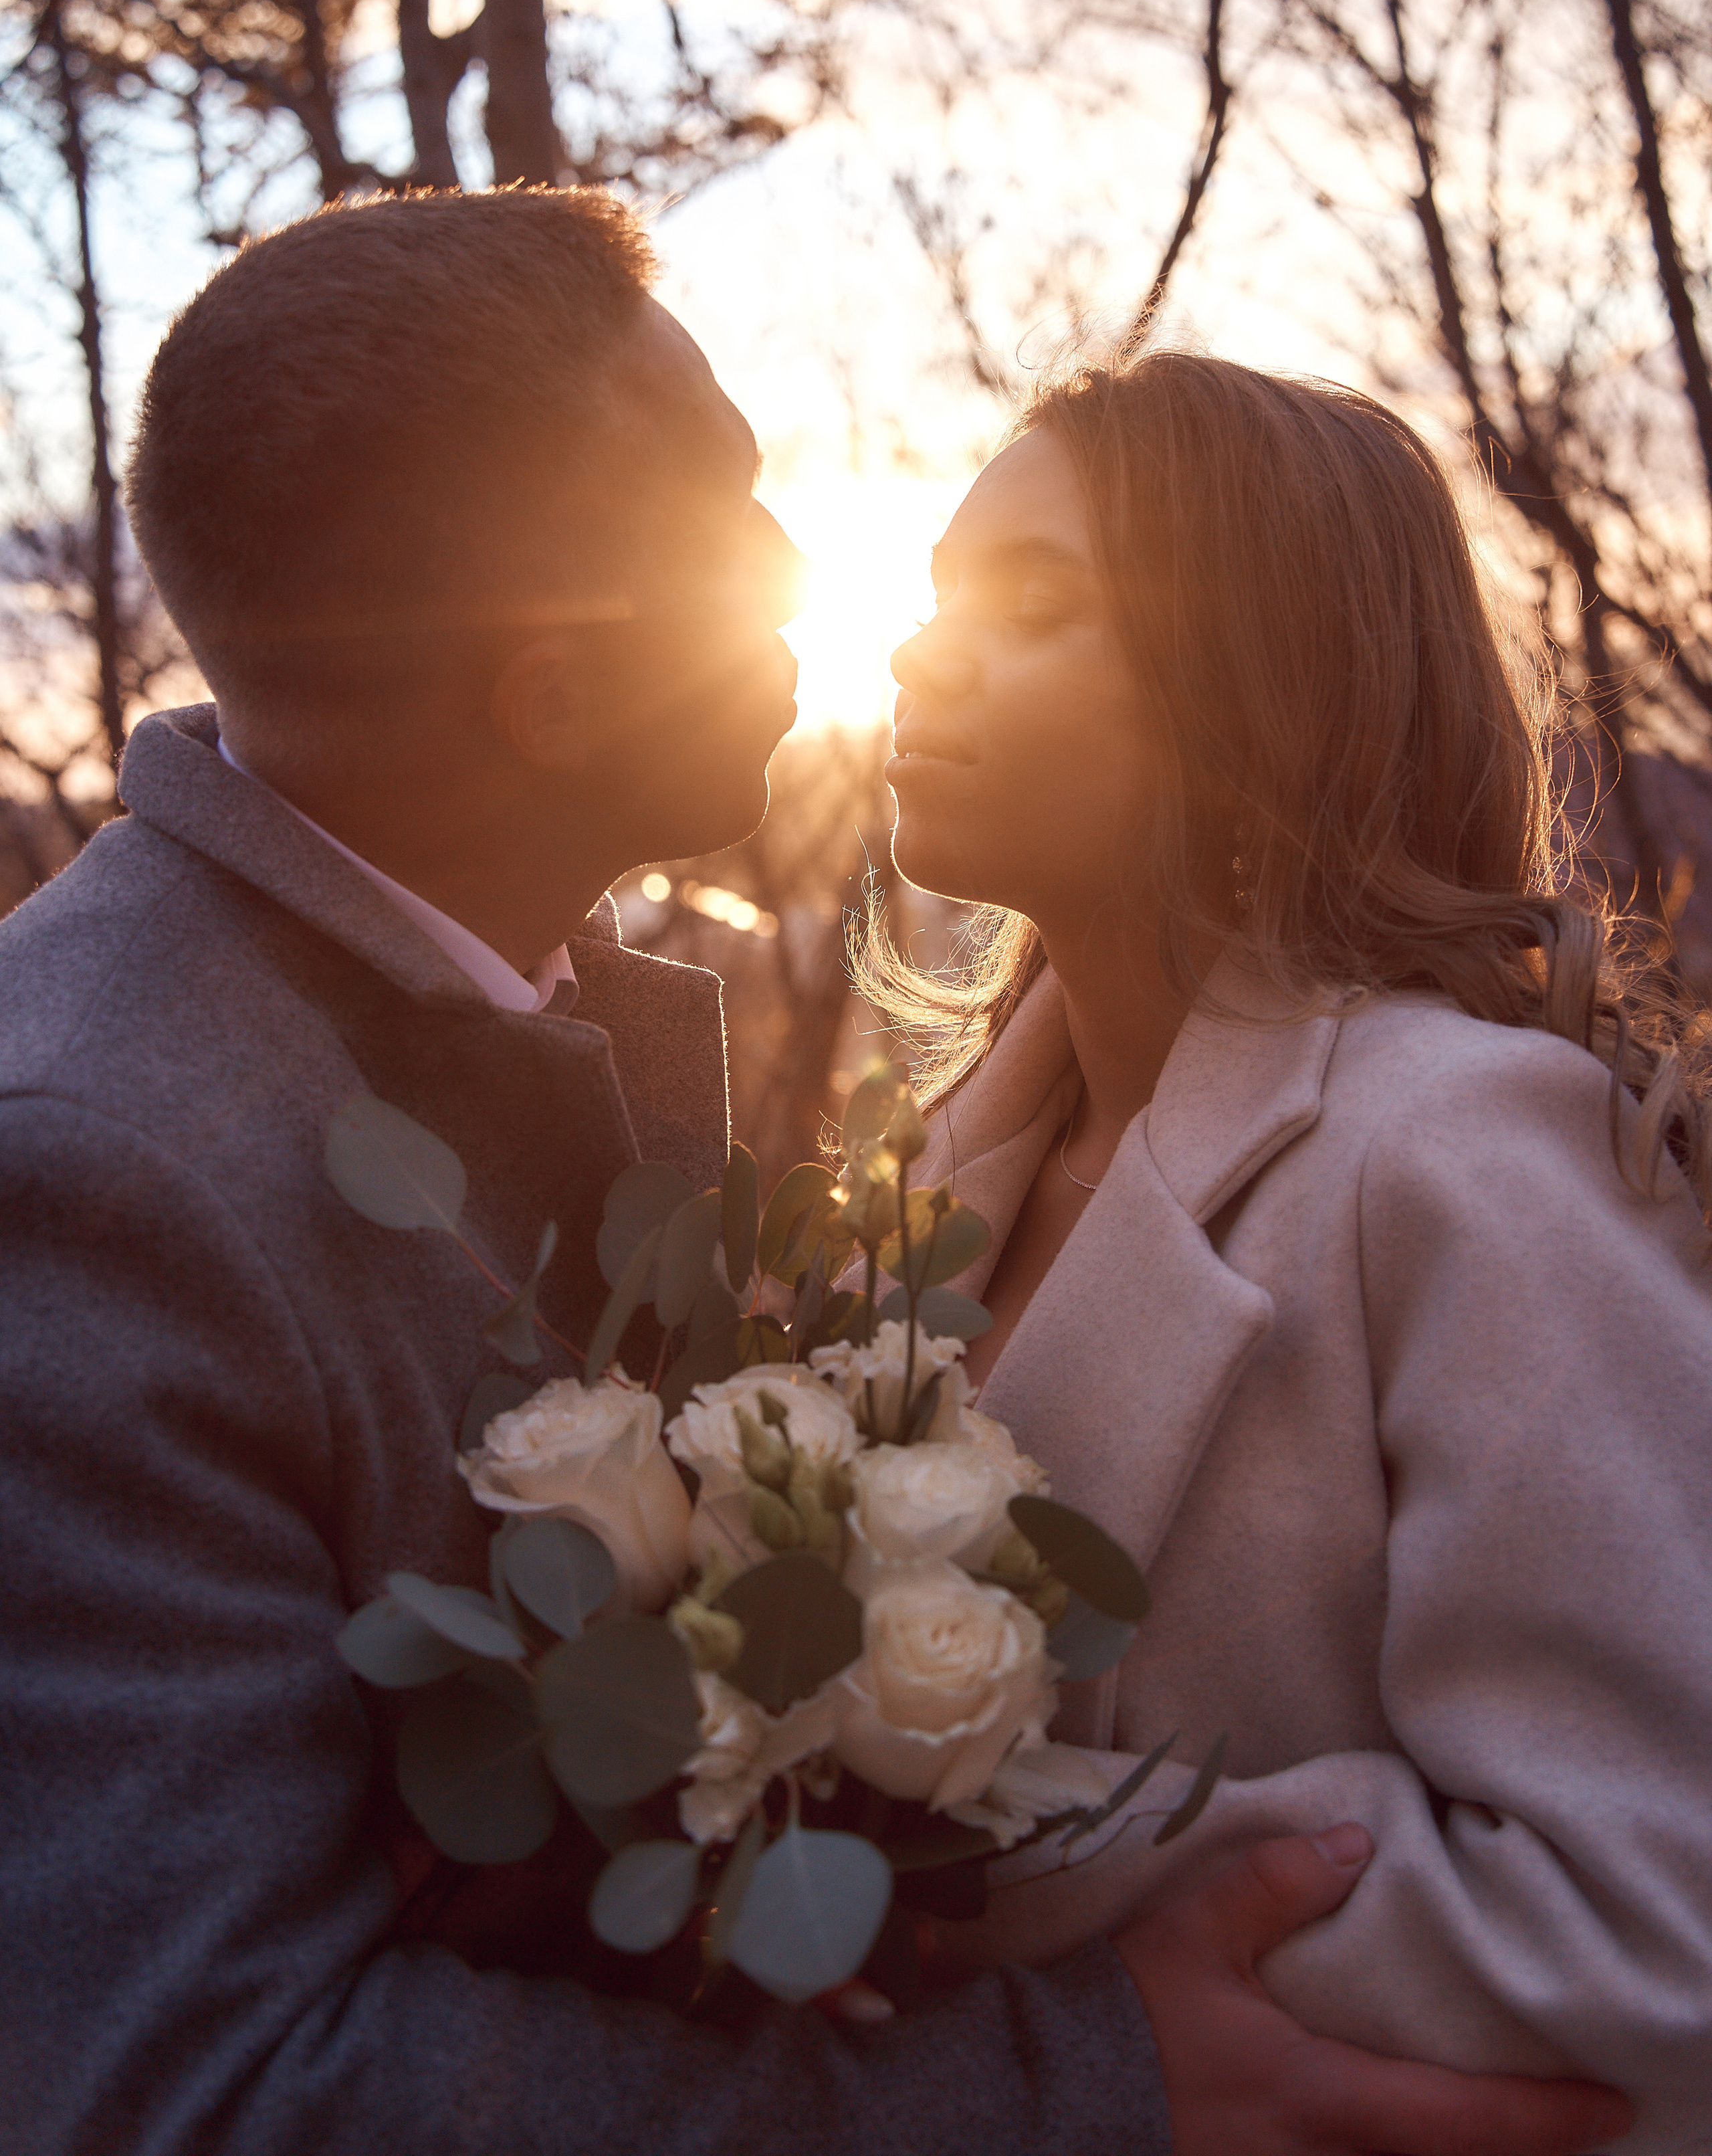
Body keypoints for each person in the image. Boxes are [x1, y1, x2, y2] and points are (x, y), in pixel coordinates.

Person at [0, 189, 1628, 2156]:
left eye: (1027, 602)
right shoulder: (101, 1170)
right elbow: (200, 2089)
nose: (809, 583)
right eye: (727, 521)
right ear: (556, 693)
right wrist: (1061, 2060)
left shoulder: (1423, 1154)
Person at [872, 342, 1712, 2151]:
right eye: (938, 592)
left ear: (1251, 691)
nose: (920, 651)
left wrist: (932, 1882)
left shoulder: (1464, 1155)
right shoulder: (916, 1200)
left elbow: (1652, 1919)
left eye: (1032, 604)